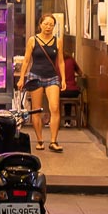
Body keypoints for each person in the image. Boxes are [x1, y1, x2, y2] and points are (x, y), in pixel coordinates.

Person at [16, 14, 66, 153]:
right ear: (40, 25)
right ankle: (39, 140)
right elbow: (26, 61)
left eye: (51, 25)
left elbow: (60, 61)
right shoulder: (33, 40)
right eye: (46, 24)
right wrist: (22, 78)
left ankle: (54, 141)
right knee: (36, 109)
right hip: (35, 76)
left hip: (52, 77)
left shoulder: (58, 41)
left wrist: (63, 79)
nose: (48, 27)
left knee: (55, 107)